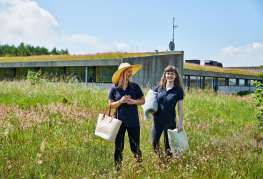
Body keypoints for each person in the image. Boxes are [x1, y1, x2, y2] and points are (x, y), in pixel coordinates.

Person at [108, 62, 145, 170]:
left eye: (130, 72)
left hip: (133, 122)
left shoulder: (135, 87)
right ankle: (118, 170)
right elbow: (110, 105)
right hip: (119, 122)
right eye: (128, 71)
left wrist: (133, 101)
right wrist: (121, 101)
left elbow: (143, 101)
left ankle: (139, 169)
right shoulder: (114, 88)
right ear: (122, 73)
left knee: (135, 147)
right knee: (119, 148)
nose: (130, 73)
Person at [152, 65, 185, 158]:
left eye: (172, 74)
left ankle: (167, 162)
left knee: (168, 144)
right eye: (168, 73)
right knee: (154, 142)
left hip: (170, 121)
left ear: (175, 76)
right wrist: (149, 110)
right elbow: (150, 99)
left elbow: (180, 108)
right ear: (165, 75)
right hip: (157, 121)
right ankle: (161, 159)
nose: (170, 75)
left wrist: (180, 123)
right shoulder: (159, 87)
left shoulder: (178, 90)